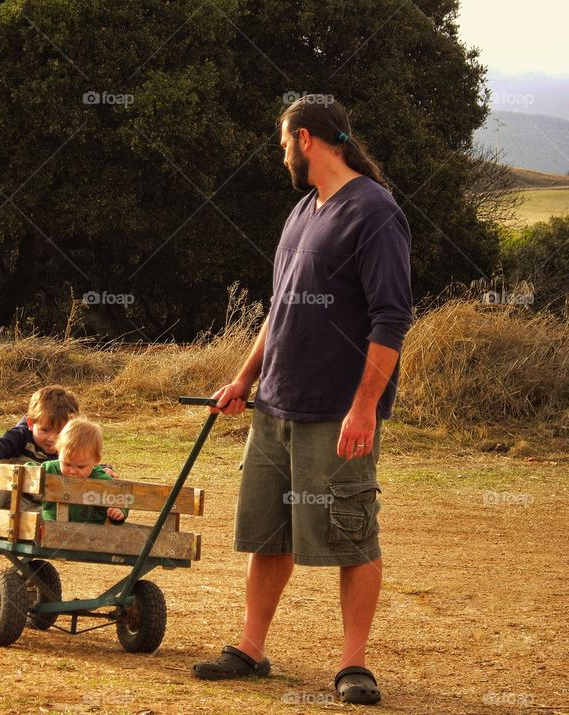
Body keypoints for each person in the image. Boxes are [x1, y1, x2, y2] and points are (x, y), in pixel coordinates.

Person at [191, 95, 413, 707]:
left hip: (336, 411)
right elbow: (279, 309)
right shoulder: (301, 211)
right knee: (269, 536)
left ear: (308, 139)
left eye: (284, 140)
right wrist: (243, 380)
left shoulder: (374, 212)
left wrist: (365, 405)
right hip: (275, 406)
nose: (280, 151)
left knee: (351, 534)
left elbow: (392, 319)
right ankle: (252, 649)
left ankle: (353, 666)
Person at [0, 385, 80, 511]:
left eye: (60, 432)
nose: (52, 438)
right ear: (30, 423)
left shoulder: (69, 448)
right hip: (5, 505)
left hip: (39, 509)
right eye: (45, 430)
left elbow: (87, 462)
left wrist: (103, 471)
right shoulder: (22, 436)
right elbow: (4, 443)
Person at [40, 418, 127, 525]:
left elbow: (120, 499)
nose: (72, 471)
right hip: (50, 532)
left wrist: (119, 511)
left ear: (96, 460)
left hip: (89, 537)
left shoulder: (102, 480)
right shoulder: (50, 469)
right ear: (58, 451)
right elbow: (31, 473)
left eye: (80, 467)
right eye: (67, 464)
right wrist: (29, 472)